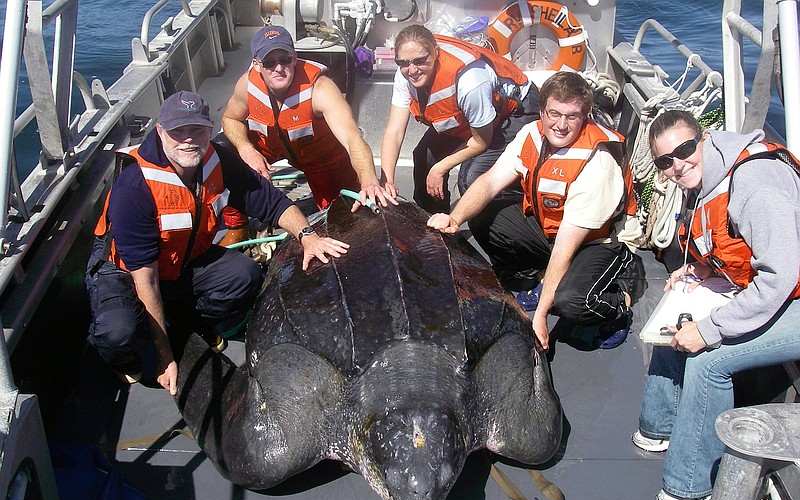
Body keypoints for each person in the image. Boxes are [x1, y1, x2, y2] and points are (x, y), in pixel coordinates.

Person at [86, 91, 349, 396]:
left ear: (209, 130)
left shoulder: (217, 159)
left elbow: (271, 202)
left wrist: (308, 236)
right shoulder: (135, 186)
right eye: (178, 131)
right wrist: (165, 355)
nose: (188, 140)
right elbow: (145, 279)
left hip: (182, 262)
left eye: (196, 130)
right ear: (159, 131)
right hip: (125, 273)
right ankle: (126, 352)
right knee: (119, 333)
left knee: (244, 276)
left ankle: (184, 319)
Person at [632, 110, 800, 500]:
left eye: (686, 150)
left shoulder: (756, 185)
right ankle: (659, 426)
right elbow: (737, 245)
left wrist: (711, 330)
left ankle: (687, 485)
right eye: (665, 161)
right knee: (679, 309)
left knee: (710, 359)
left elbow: (779, 277)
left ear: (703, 138)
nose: (678, 165)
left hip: (790, 295)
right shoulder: (707, 177)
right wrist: (701, 270)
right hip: (774, 289)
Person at [427, 71, 641, 351]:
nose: (561, 125)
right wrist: (454, 218)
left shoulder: (597, 163)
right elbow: (491, 181)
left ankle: (619, 305)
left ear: (585, 116)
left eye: (572, 116)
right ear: (541, 111)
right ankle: (542, 276)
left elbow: (567, 244)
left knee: (572, 303)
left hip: (599, 243)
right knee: (483, 215)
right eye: (554, 113)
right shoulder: (532, 133)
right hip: (552, 228)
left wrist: (539, 315)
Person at [222, 25, 395, 227]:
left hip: (323, 160)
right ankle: (237, 226)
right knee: (225, 157)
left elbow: (352, 139)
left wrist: (369, 182)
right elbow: (230, 119)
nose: (278, 68)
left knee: (346, 218)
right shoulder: (247, 85)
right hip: (271, 147)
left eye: (285, 60)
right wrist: (246, 149)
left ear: (294, 58)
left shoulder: (320, 90)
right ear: (257, 64)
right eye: (269, 62)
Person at [380, 24, 539, 214]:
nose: (412, 70)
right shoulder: (405, 74)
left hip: (515, 111)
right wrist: (386, 180)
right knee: (423, 157)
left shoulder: (470, 81)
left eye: (420, 61)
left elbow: (481, 141)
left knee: (471, 178)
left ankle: (505, 225)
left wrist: (441, 168)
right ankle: (434, 227)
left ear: (435, 52)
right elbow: (394, 131)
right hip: (471, 117)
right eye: (404, 63)